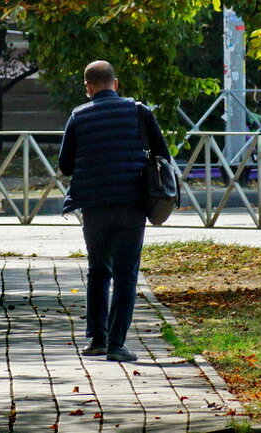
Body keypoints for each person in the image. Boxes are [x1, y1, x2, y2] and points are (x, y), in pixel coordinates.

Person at [58, 60, 172, 362]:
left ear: (88, 87)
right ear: (115, 83)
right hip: (132, 204)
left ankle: (96, 339)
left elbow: (65, 165)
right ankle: (117, 345)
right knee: (126, 274)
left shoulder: (78, 116)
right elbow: (163, 154)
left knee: (98, 271)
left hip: (94, 206)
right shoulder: (139, 112)